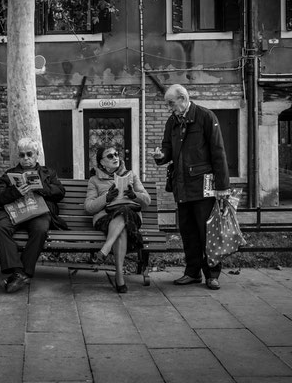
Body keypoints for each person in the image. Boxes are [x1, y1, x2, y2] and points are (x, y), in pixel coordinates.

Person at [153, 84, 230, 290]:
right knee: (188, 232)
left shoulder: (206, 117)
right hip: (181, 187)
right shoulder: (172, 121)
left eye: (171, 103)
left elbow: (218, 152)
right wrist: (161, 156)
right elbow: (167, 147)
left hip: (203, 187)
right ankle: (192, 273)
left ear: (183, 98)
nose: (169, 107)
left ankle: (212, 274)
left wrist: (223, 187)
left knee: (207, 232)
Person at [0, 137, 68, 293]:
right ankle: (18, 271)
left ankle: (22, 273)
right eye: (22, 155)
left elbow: (60, 192)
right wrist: (15, 191)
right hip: (17, 211)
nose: (26, 158)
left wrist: (39, 188)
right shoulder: (10, 174)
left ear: (36, 154)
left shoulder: (48, 173)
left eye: (29, 154)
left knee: (41, 228)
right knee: (1, 226)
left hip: (39, 212)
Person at [85, 146, 151, 293]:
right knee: (121, 230)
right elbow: (89, 207)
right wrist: (106, 198)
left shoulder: (131, 175)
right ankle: (119, 275)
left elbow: (147, 200)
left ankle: (106, 248)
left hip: (131, 216)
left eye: (116, 154)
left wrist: (134, 195)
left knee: (124, 211)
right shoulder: (94, 180)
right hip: (106, 218)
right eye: (110, 156)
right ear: (102, 163)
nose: (115, 157)